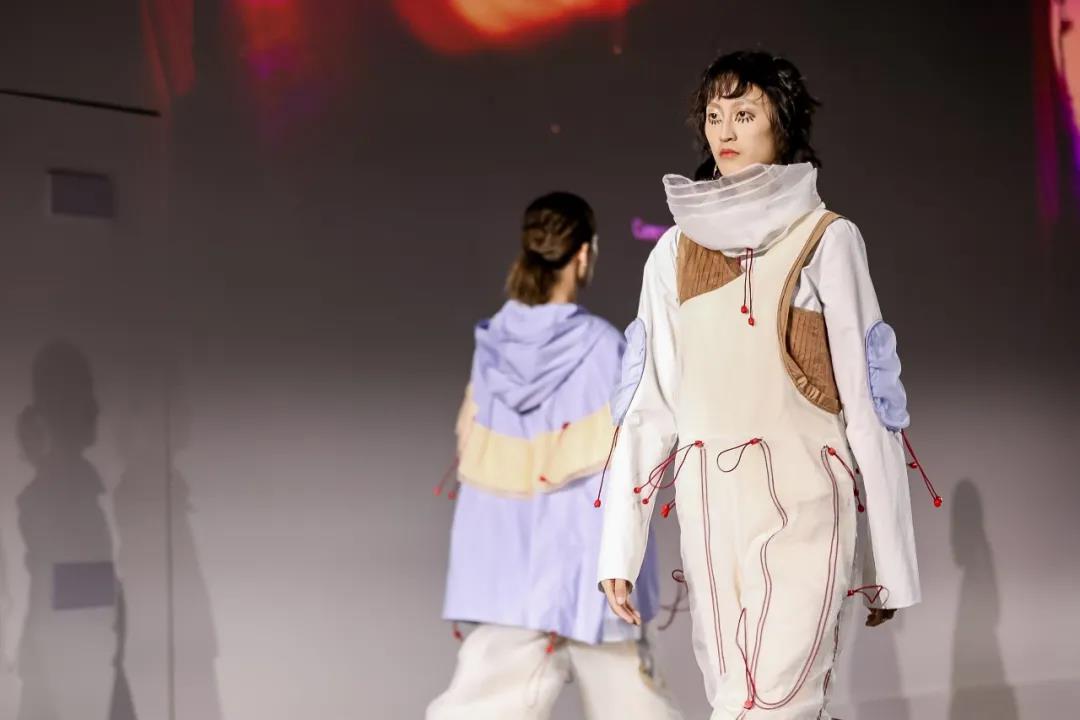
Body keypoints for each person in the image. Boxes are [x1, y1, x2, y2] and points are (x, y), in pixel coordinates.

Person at [597, 50, 934, 719]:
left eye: (744, 114)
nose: (724, 130)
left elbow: (869, 402)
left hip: (806, 498)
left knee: (777, 702)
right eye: (714, 115)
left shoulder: (828, 239)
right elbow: (646, 405)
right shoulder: (673, 253)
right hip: (709, 509)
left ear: (782, 121)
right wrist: (619, 546)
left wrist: (890, 561)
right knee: (736, 699)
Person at [428, 192, 682, 720]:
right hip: (592, 578)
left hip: (504, 579)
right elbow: (630, 459)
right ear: (584, 254)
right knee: (635, 709)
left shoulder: (491, 351)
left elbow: (476, 467)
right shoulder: (603, 348)